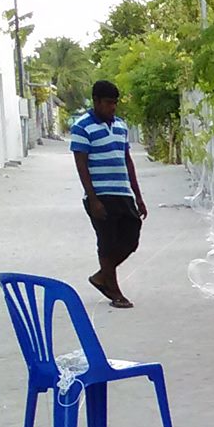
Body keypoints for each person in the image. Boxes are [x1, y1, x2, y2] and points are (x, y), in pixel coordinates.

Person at [69, 80, 148, 308]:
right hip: (100, 195)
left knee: (131, 238)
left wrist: (138, 196)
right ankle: (114, 291)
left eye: (115, 103)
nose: (112, 107)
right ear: (96, 102)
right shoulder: (82, 127)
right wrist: (92, 199)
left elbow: (127, 161)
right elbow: (81, 165)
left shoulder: (121, 126)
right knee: (107, 242)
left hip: (122, 192)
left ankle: (101, 276)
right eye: (107, 103)